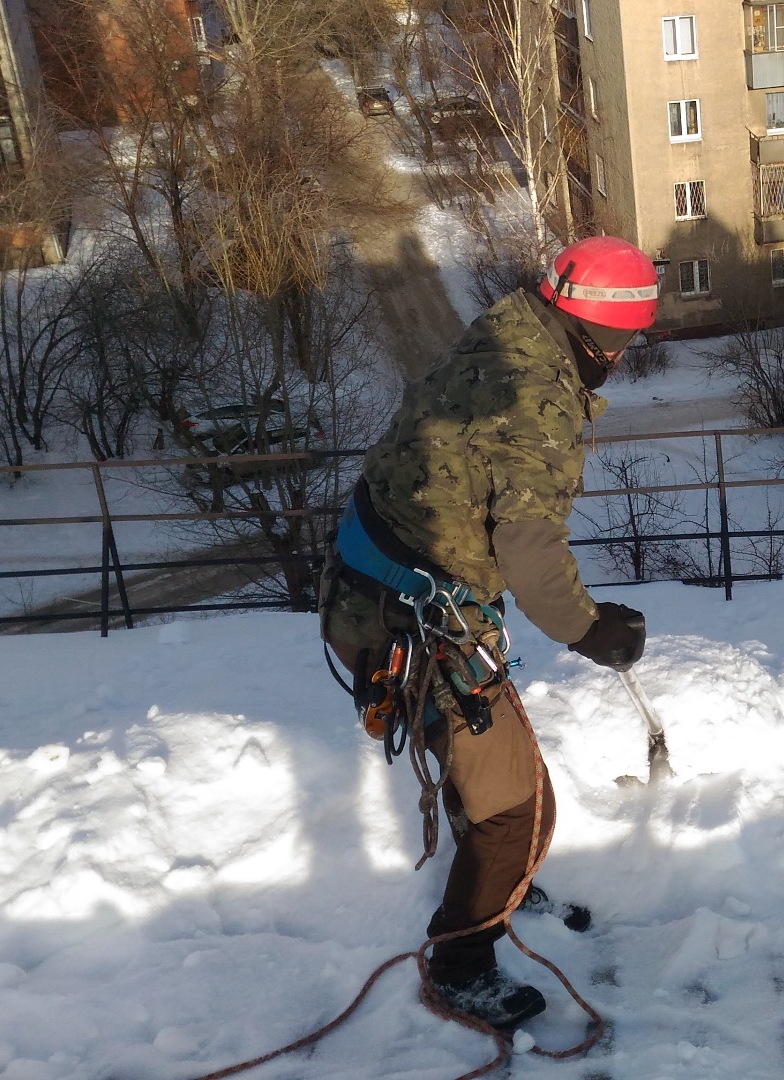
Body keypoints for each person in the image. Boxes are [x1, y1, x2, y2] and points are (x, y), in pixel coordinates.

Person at [316, 236, 659, 1029]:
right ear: (604, 337)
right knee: (520, 808)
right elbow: (530, 550)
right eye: (626, 340)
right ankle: (460, 964)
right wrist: (591, 628)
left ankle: (500, 886)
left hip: (382, 589)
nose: (623, 354)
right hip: (407, 615)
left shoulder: (510, 331)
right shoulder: (533, 398)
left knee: (485, 775)